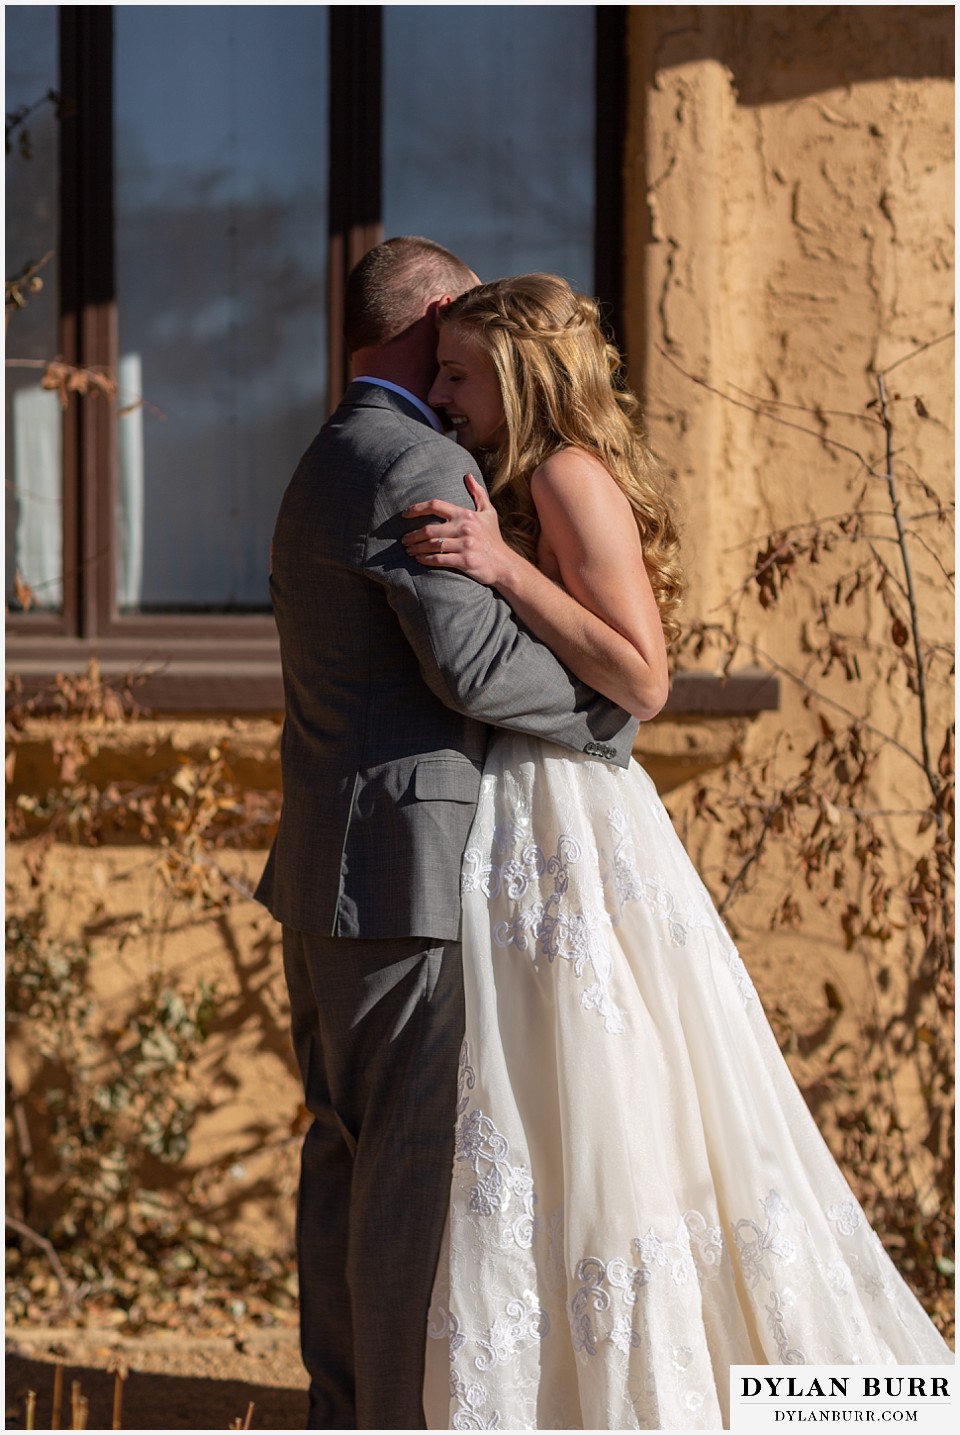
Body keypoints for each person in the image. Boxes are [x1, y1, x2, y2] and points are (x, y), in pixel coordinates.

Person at [399, 273, 953, 1430]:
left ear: (518, 375)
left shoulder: (562, 474)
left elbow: (644, 677)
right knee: (557, 1096)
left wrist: (502, 569)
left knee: (615, 1092)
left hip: (576, 816)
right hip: (529, 808)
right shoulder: (520, 473)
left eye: (457, 373)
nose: (439, 392)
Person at [254, 241, 639, 1430]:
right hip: (403, 883)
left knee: (341, 1161)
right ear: (430, 319)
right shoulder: (417, 458)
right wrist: (610, 709)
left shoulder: (326, 450)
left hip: (324, 868)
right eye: (461, 325)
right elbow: (471, 664)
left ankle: (340, 1405)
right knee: (405, 1182)